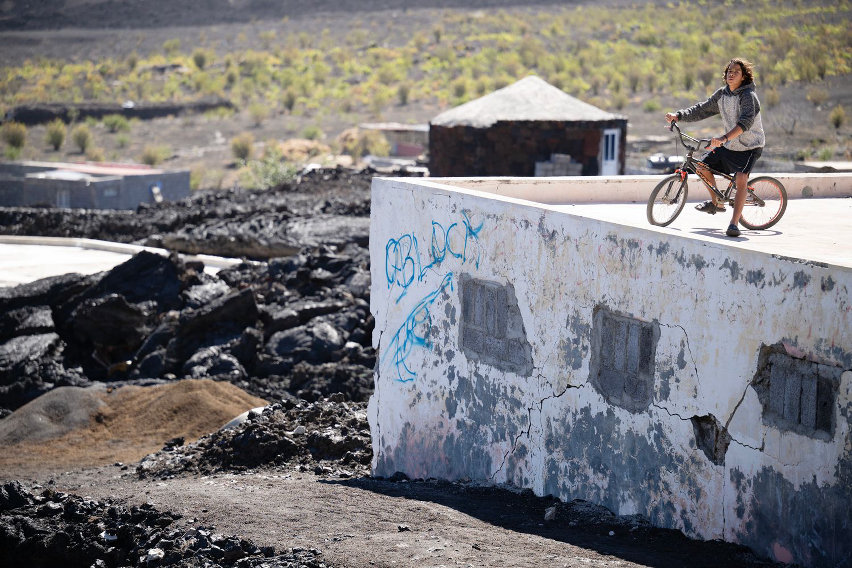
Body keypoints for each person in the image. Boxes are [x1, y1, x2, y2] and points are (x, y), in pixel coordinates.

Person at [665, 58, 765, 237]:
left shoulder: (748, 96)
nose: (731, 74)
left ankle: (734, 224)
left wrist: (723, 138)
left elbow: (745, 123)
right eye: (729, 71)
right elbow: (702, 109)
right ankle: (717, 202)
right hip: (729, 145)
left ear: (744, 77)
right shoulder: (722, 95)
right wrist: (678, 116)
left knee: (741, 180)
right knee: (701, 166)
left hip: (750, 146)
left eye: (736, 72)